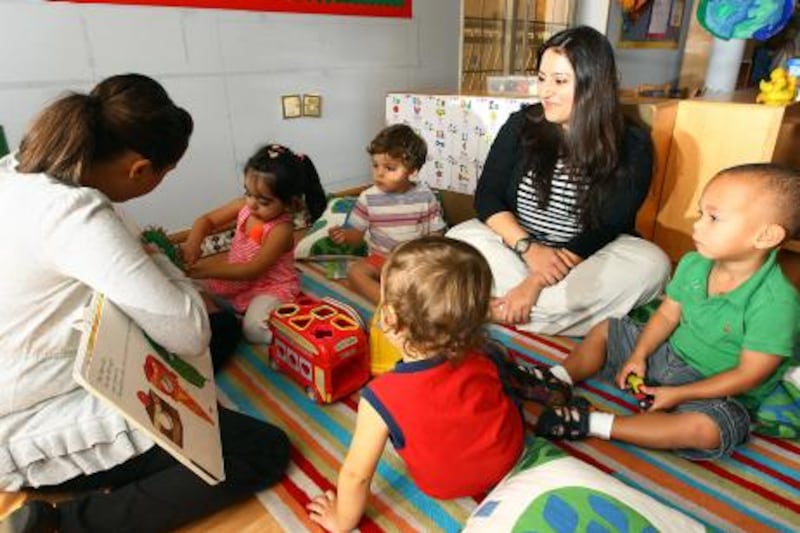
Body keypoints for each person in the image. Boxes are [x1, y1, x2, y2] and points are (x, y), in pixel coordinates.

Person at [0, 74, 290, 533]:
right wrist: (159, 258)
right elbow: (189, 329)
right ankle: (64, 524)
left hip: (45, 370)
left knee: (226, 325)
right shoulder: (76, 215)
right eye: (164, 174)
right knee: (262, 449)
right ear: (140, 168)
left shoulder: (18, 169)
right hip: (26, 417)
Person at [528, 163, 800, 460]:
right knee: (608, 328)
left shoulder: (777, 303)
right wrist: (639, 354)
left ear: (766, 236)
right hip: (668, 357)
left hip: (716, 391)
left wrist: (680, 394)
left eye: (714, 218)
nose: (697, 225)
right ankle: (558, 378)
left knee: (708, 431)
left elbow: (748, 375)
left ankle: (594, 422)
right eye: (700, 213)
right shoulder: (695, 263)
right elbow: (668, 315)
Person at [446, 25, 670, 336]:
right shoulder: (521, 124)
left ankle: (487, 309)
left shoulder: (632, 143)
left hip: (582, 258)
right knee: (457, 238)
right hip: (517, 247)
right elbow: (488, 196)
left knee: (653, 264)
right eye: (541, 78)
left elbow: (608, 225)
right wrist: (528, 249)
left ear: (594, 85)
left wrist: (536, 280)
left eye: (560, 81)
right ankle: (540, 313)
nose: (545, 91)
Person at [306, 236, 524, 531]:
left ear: (389, 318)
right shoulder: (482, 357)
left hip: (443, 485)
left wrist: (341, 521)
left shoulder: (380, 396)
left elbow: (356, 475)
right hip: (509, 455)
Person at [182, 144, 319, 344]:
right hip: (238, 281)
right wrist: (193, 244)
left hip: (269, 287)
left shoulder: (281, 230)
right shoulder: (244, 206)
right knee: (189, 288)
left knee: (253, 330)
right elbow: (207, 221)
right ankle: (237, 314)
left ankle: (296, 338)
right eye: (248, 193)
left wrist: (206, 270)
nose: (252, 204)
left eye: (264, 201)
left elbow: (252, 269)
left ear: (290, 203)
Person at [328, 124, 446, 303]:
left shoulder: (425, 195)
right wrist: (344, 235)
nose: (379, 174)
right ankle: (389, 304)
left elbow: (436, 235)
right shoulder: (368, 197)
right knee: (355, 272)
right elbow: (357, 235)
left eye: (390, 168)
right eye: (375, 165)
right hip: (380, 260)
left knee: (439, 277)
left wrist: (425, 257)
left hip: (413, 264)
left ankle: (408, 298)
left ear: (412, 170)